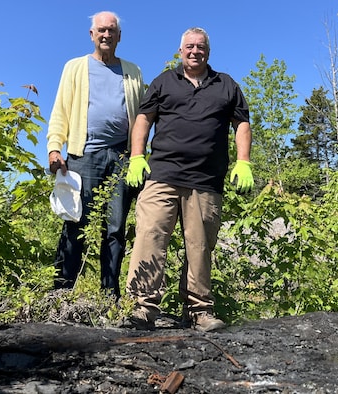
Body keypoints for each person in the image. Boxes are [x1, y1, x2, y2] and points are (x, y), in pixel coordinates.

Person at [125, 27, 254, 332]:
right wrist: (136, 156)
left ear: (208, 51)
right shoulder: (164, 82)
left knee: (199, 246)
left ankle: (199, 312)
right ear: (180, 51)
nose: (195, 51)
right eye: (189, 47)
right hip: (162, 175)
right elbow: (144, 119)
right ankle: (142, 308)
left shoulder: (227, 85)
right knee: (150, 237)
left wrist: (244, 161)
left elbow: (242, 123)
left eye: (200, 46)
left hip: (206, 181)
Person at [46, 11, 144, 296]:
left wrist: (139, 156)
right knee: (76, 223)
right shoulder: (75, 67)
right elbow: (60, 111)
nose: (106, 35)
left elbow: (141, 118)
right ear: (92, 35)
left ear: (119, 36)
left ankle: (109, 296)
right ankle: (60, 294)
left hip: (122, 158)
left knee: (115, 229)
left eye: (111, 31)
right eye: (101, 30)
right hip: (83, 155)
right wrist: (54, 147)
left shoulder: (133, 72)